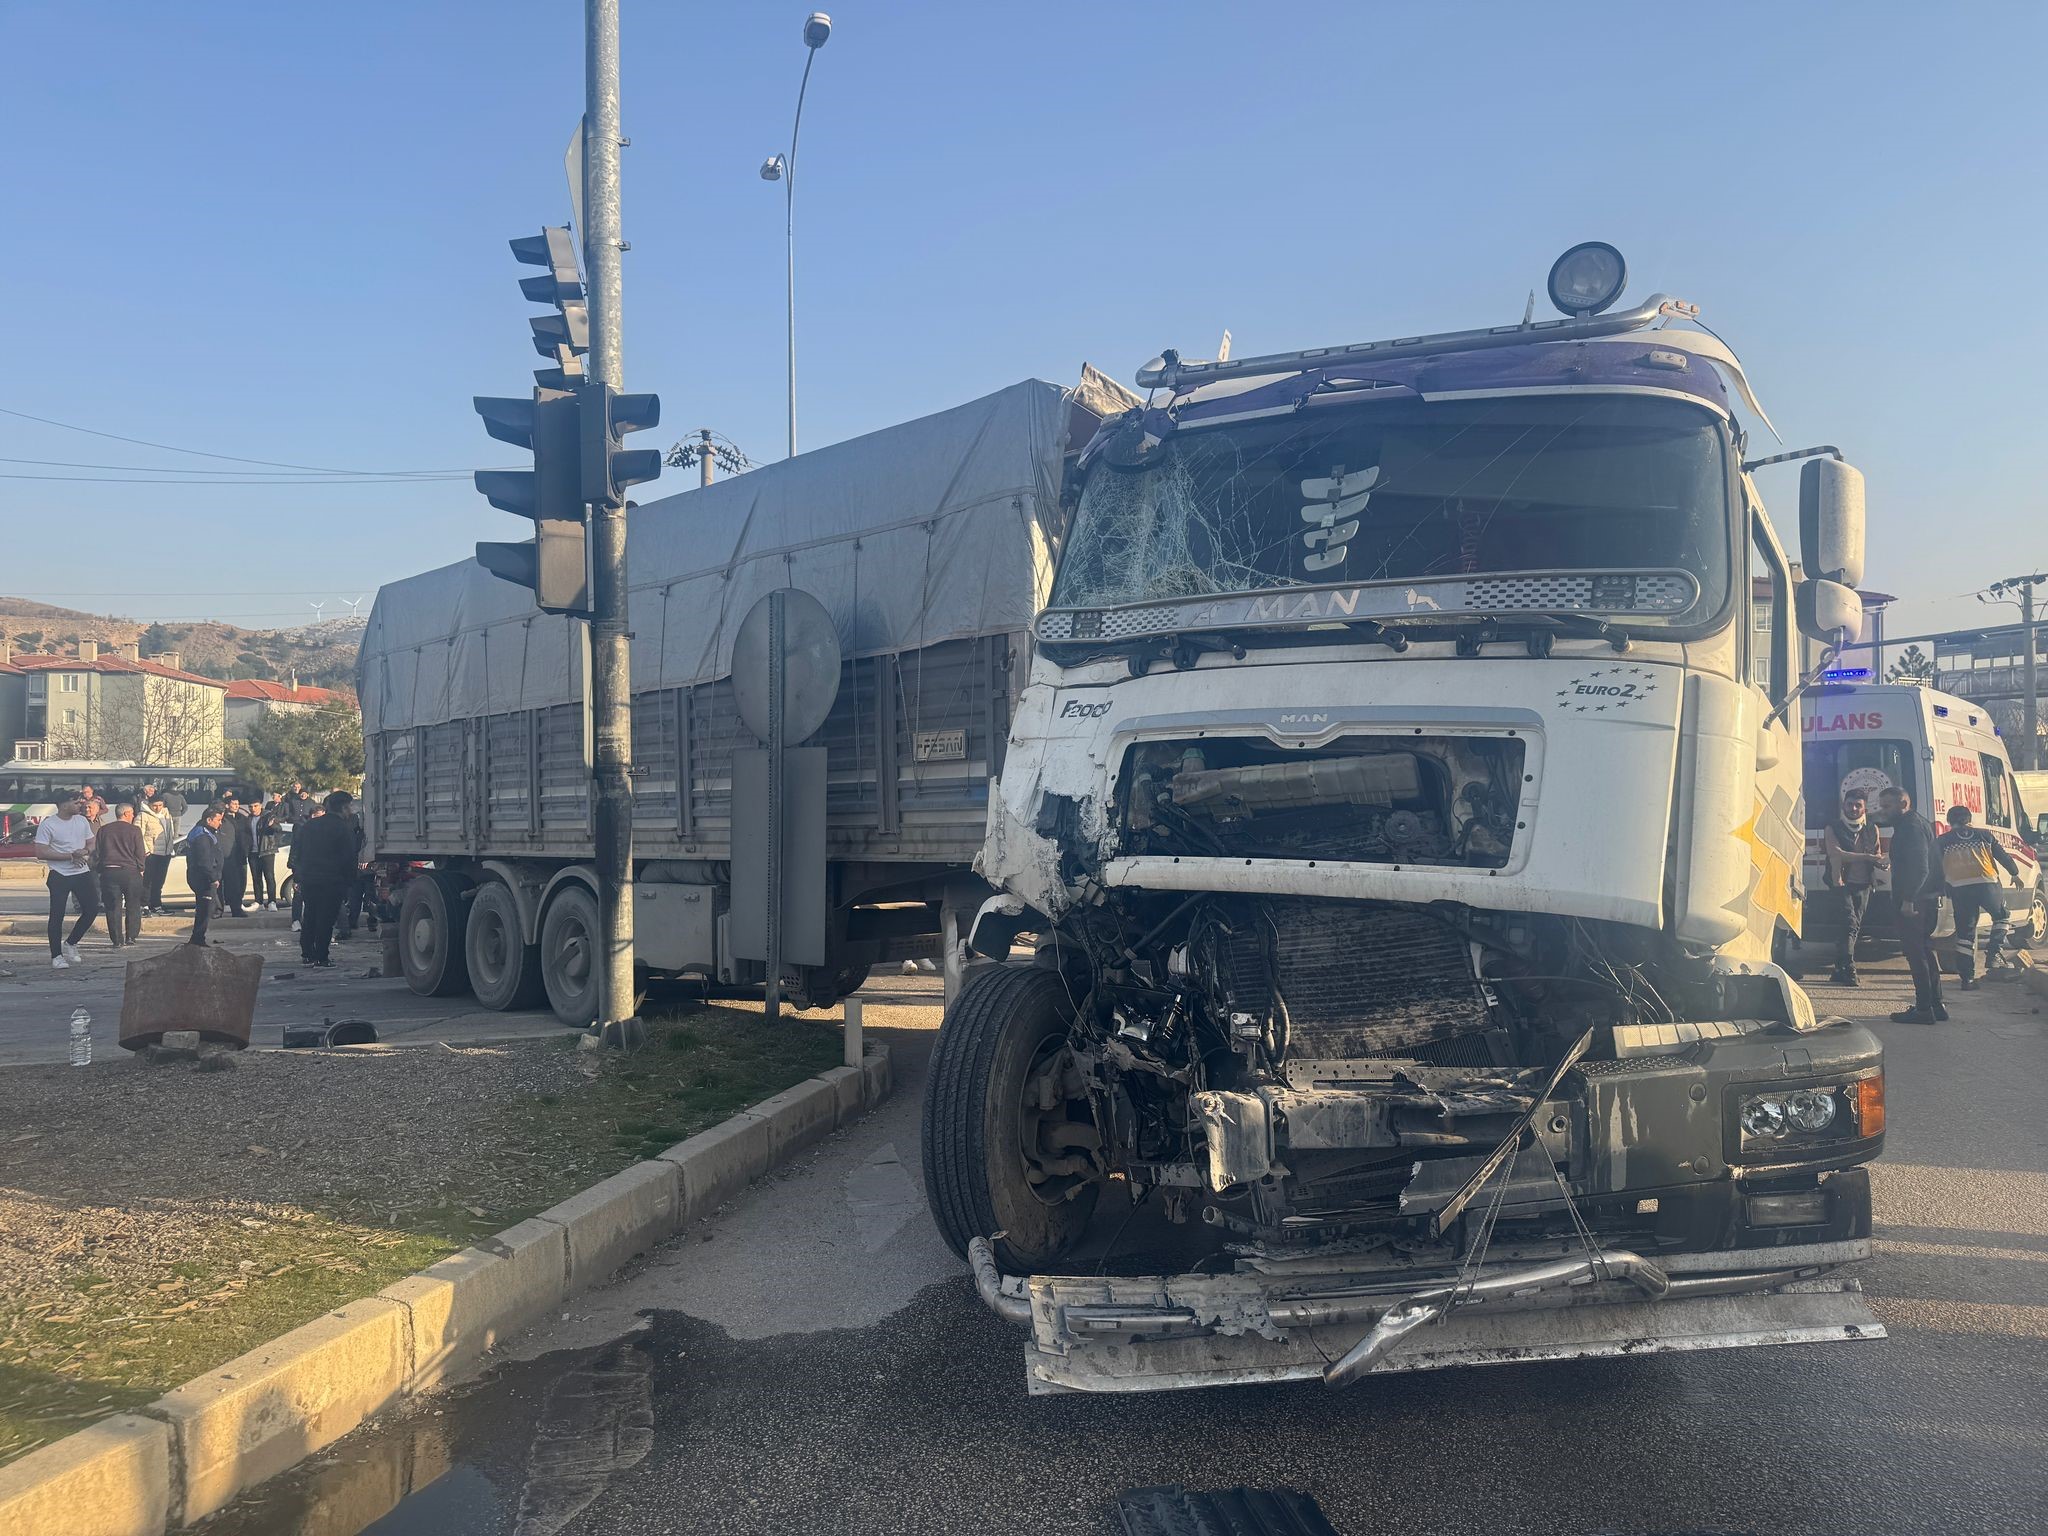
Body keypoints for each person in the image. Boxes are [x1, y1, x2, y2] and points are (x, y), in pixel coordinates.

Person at [1876, 786, 1944, 1023]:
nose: (1882, 811)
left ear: (1903, 804)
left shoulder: (1910, 828)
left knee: (1916, 954)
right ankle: (1936, 1005)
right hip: (1926, 898)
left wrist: (1908, 899)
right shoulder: (1916, 824)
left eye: (1887, 806)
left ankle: (1924, 1009)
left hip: (1916, 901)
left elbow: (1920, 867)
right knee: (1926, 949)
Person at [1939, 805, 2021, 989]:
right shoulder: (1985, 835)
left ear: (1949, 821)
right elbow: (2003, 856)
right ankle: (1994, 953)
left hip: (1959, 888)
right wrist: (2014, 873)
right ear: (1970, 819)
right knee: (2002, 916)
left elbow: (1935, 866)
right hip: (1988, 884)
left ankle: (1967, 979)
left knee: (1965, 934)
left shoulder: (1942, 841)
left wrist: (1938, 888)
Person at [1820, 788, 1885, 985]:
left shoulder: (1872, 829)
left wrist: (1882, 863)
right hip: (1840, 883)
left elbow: (1876, 854)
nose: (1854, 809)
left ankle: (1839, 969)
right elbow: (1836, 853)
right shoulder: (1833, 827)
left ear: (1865, 809)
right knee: (1850, 924)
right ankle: (1849, 968)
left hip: (1864, 884)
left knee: (1851, 927)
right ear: (1843, 805)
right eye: (1850, 804)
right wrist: (1867, 857)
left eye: (1858, 806)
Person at [292, 791, 363, 966]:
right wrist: (349, 882)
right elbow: (348, 857)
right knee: (326, 919)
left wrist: (299, 876)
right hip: (332, 880)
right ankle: (321, 956)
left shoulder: (309, 826)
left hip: (309, 879)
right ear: (344, 807)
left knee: (310, 916)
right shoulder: (343, 829)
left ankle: (307, 953)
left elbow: (298, 853)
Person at [34, 791, 100, 970]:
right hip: (60, 874)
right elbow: (41, 851)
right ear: (63, 805)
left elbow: (92, 842)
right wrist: (69, 856)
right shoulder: (49, 824)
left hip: (82, 871)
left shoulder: (81, 821)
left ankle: (71, 943)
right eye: (77, 803)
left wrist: (85, 852)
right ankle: (56, 956)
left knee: (93, 908)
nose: (81, 806)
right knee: (57, 915)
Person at [94, 803, 148, 948]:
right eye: (132, 813)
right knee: (133, 905)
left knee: (112, 907)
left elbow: (97, 853)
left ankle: (117, 939)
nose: (133, 816)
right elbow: (140, 852)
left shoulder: (103, 830)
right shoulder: (134, 830)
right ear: (126, 813)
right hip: (130, 872)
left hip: (109, 872)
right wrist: (141, 868)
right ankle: (131, 936)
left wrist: (100, 869)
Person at [184, 804, 226, 946]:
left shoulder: (205, 832)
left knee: (205, 909)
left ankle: (198, 938)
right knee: (205, 910)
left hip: (202, 876)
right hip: (203, 878)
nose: (220, 823)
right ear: (209, 820)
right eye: (218, 820)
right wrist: (213, 878)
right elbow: (204, 861)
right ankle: (197, 939)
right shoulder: (202, 836)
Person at [139, 796, 176, 914]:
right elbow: (138, 834)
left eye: (160, 805)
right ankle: (144, 905)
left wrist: (171, 848)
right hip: (151, 853)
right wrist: (146, 851)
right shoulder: (143, 815)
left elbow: (171, 832)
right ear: (149, 804)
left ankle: (156, 905)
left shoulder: (166, 814)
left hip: (165, 853)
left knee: (159, 881)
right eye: (155, 805)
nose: (157, 808)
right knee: (147, 881)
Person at [216, 792, 251, 914]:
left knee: (238, 883)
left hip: (239, 855)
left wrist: (246, 850)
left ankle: (237, 907)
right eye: (234, 804)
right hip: (225, 856)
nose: (236, 806)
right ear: (227, 805)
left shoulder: (242, 818)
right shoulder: (222, 819)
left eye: (237, 804)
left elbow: (248, 836)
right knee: (223, 883)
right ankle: (221, 906)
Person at [250, 794, 284, 909]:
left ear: (260, 806)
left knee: (269, 877)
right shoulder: (248, 818)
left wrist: (272, 825)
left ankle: (272, 902)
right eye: (251, 806)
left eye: (255, 806)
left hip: (267, 850)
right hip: (253, 852)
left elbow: (279, 829)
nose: (253, 809)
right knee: (256, 878)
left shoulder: (268, 816)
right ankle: (258, 902)